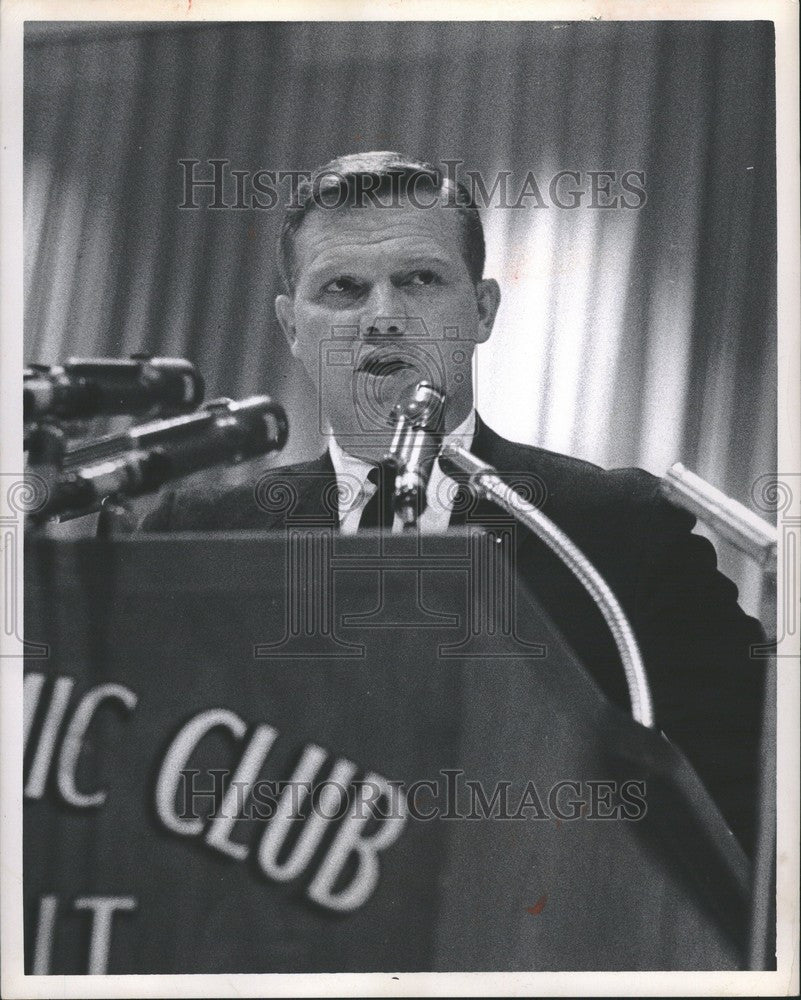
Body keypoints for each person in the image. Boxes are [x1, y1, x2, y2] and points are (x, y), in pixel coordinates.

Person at [142, 151, 765, 856]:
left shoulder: (618, 529)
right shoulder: (195, 535)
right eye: (342, 288)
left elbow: (750, 789)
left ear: (481, 309)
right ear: (292, 327)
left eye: (419, 280)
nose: (381, 317)